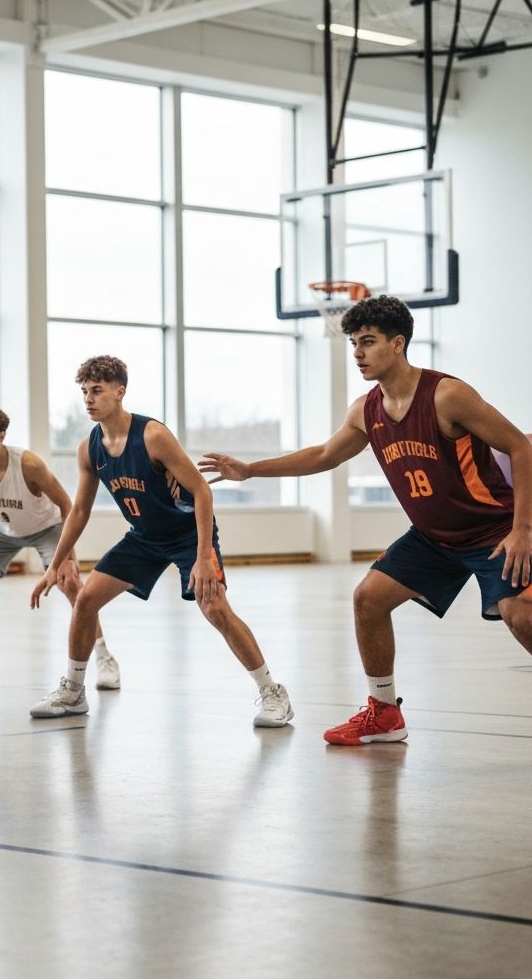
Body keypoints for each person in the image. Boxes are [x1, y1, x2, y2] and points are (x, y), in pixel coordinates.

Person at [199, 295, 532, 746]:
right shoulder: (365, 409)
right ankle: (384, 713)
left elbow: (521, 446)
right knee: (368, 599)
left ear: (398, 344)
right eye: (354, 342)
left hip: (493, 531)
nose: (357, 352)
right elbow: (322, 455)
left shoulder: (447, 395)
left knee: (521, 616)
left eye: (368, 342)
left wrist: (522, 530)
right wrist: (251, 469)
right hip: (434, 539)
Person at [28, 355, 293, 725]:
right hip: (143, 538)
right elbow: (79, 511)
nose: (89, 399)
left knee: (215, 609)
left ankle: (273, 693)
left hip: (188, 536)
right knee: (85, 600)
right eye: (84, 392)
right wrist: (54, 566)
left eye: (97, 391)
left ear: (120, 392)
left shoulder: (152, 435)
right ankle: (73, 692)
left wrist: (203, 557)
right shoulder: (89, 448)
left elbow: (202, 492)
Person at [0, 404, 120, 689]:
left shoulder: (28, 464)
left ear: (1, 435)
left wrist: (68, 558)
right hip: (2, 531)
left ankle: (104, 658)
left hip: (47, 529)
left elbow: (67, 505)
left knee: (73, 585)